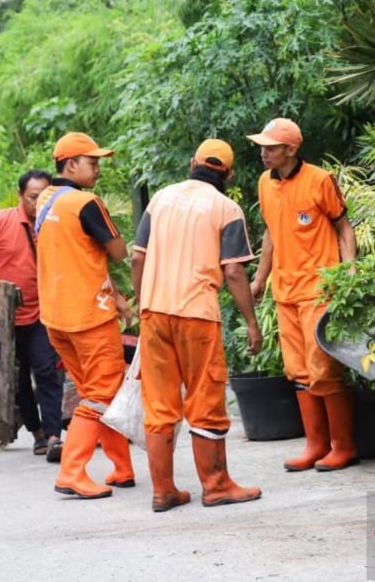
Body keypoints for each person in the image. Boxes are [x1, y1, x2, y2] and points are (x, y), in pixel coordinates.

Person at [131, 139, 264, 512]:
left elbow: (137, 260)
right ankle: (216, 484)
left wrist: (143, 305)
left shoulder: (160, 199)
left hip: (154, 311)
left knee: (159, 404)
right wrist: (252, 322)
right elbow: (235, 271)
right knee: (205, 399)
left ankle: (163, 491)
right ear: (229, 174)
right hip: (197, 314)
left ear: (192, 163)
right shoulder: (226, 207)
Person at [248, 117, 360, 473]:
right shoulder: (265, 183)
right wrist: (260, 278)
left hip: (319, 290)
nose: (263, 153)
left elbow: (344, 226)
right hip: (285, 292)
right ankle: (315, 445)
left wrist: (349, 271)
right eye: (262, 146)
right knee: (297, 371)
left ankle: (344, 446)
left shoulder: (320, 180)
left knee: (324, 370)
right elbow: (271, 233)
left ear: (291, 150)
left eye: (270, 147)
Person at [35, 132, 134, 500]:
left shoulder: (45, 200)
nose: (97, 170)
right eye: (92, 163)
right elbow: (119, 251)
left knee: (100, 391)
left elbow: (79, 256)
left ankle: (121, 468)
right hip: (89, 317)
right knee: (101, 392)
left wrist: (118, 297)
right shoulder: (85, 202)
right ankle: (72, 472)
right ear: (71, 164)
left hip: (57, 318)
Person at [0, 169, 64, 461]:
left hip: (42, 313)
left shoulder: (55, 223)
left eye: (44, 197)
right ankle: (38, 433)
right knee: (16, 378)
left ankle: (55, 434)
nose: (38, 203)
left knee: (46, 371)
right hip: (5, 318)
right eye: (33, 197)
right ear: (21, 196)